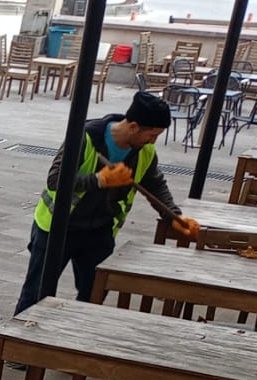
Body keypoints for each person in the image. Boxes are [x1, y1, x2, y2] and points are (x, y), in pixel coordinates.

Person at [15, 90, 200, 312]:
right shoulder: (84, 137)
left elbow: (155, 184)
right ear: (133, 126)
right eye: (152, 135)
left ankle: (77, 329)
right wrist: (99, 180)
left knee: (95, 293)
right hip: (58, 227)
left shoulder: (145, 151)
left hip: (100, 230)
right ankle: (21, 330)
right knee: (35, 293)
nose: (153, 141)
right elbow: (55, 180)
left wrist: (174, 216)